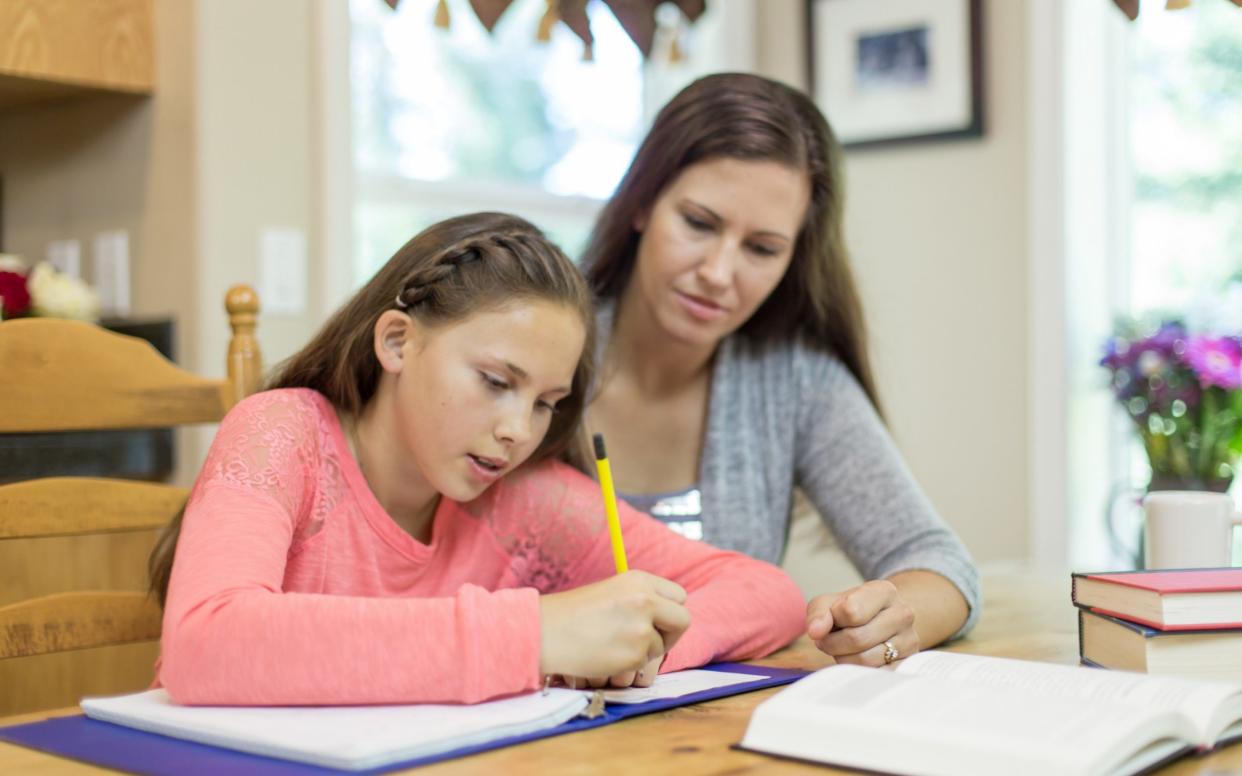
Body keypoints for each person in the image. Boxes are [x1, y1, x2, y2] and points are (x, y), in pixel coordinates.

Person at [149, 212, 805, 706]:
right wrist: (536, 636)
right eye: (495, 382)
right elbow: (204, 644)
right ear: (399, 342)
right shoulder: (281, 434)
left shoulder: (523, 497)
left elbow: (767, 593)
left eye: (547, 402)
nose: (518, 431)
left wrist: (641, 649)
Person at [582, 73, 980, 667]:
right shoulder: (541, 350)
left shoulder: (795, 382)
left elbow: (941, 565)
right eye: (698, 222)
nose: (719, 272)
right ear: (642, 203)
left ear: (794, 257)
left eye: (762, 249)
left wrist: (890, 620)